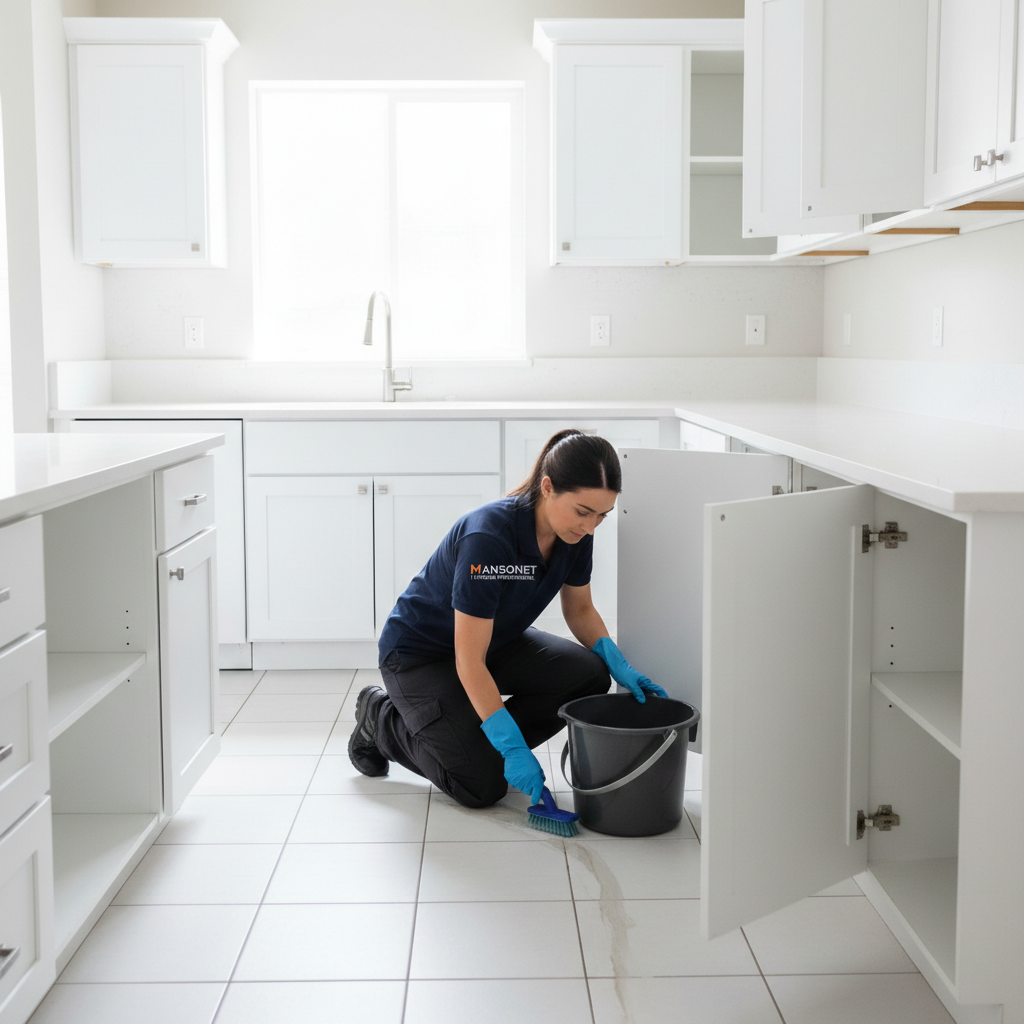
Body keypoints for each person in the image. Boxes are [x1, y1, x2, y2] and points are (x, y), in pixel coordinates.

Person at [347, 428, 666, 808]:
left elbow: (579, 609)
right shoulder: (490, 538)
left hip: (494, 640)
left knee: (590, 676)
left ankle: (475, 746)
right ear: (547, 487)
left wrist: (617, 663)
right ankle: (381, 719)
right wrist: (512, 745)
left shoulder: (574, 534)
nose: (590, 526)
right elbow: (468, 660)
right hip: (421, 655)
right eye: (583, 512)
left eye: (602, 515)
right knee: (480, 786)